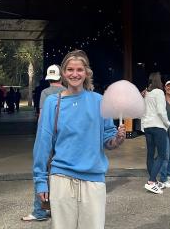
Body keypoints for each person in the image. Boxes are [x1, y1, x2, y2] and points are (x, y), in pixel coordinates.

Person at [33, 50, 126, 228]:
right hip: (61, 178)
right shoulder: (53, 102)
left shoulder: (100, 101)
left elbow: (108, 140)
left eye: (79, 70)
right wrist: (40, 181)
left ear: (86, 73)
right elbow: (42, 145)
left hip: (94, 179)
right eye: (70, 69)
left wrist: (117, 139)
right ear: (63, 73)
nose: (74, 74)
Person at [22, 65, 66, 222]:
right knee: (60, 173)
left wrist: (40, 135)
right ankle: (56, 208)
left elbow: (42, 116)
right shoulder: (67, 92)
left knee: (41, 171)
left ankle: (39, 211)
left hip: (48, 136)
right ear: (61, 77)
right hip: (63, 138)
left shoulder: (45, 93)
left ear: (49, 79)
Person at [141, 72, 170, 194]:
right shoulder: (159, 92)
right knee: (162, 155)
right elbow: (161, 111)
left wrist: (143, 126)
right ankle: (151, 182)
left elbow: (142, 111)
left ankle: (153, 180)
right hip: (158, 126)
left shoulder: (146, 94)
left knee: (150, 154)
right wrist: (167, 123)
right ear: (159, 81)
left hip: (147, 127)